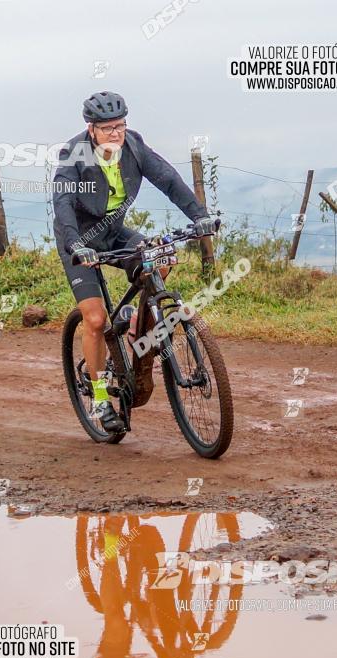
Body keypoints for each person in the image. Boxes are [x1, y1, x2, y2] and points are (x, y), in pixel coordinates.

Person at [53, 90, 215, 432]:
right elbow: (64, 202)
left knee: (160, 260)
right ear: (91, 130)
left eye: (121, 125)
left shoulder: (134, 146)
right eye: (108, 128)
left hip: (114, 232)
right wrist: (73, 245)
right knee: (95, 321)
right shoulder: (74, 153)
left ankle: (137, 327)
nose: (116, 133)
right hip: (79, 242)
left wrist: (200, 217)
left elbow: (169, 180)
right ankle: (99, 399)